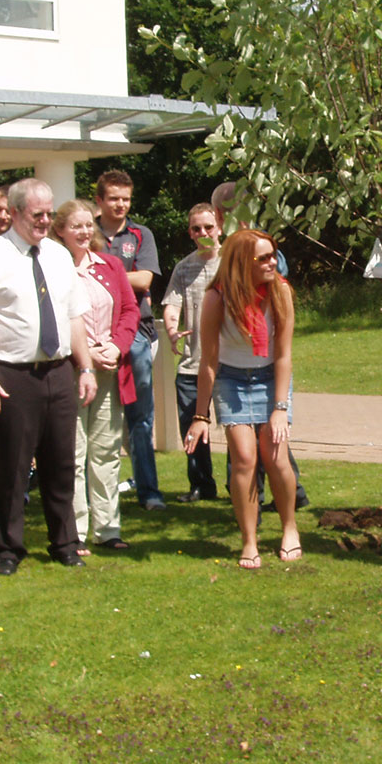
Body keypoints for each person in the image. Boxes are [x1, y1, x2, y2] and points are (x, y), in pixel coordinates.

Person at [0, 177, 98, 575]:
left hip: (57, 372)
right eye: (37, 214)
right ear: (16, 212)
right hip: (12, 374)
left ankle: (65, 542)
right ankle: (8, 548)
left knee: (61, 463)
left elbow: (74, 317)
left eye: (49, 214)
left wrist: (84, 367)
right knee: (14, 466)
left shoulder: (58, 256)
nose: (44, 221)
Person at [183, 230, 301, 568]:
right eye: (262, 258)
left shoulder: (280, 291)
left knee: (276, 455)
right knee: (245, 459)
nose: (272, 263)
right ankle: (249, 541)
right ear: (240, 264)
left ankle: (289, 528)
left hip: (270, 376)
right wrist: (200, 416)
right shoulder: (216, 298)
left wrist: (280, 409)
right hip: (231, 379)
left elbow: (284, 356)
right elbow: (208, 362)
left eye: (272, 255)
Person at [210, 181, 310, 509]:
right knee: (243, 452)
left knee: (272, 447)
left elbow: (273, 288)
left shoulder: (260, 248)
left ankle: (287, 499)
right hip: (232, 366)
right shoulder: (225, 250)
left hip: (264, 365)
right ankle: (253, 510)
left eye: (226, 213)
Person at [52, 199, 140, 552]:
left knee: (105, 451)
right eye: (76, 226)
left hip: (109, 371)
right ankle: (75, 530)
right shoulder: (52, 269)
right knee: (72, 452)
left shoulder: (111, 265)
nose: (85, 232)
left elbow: (130, 311)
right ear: (60, 230)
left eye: (89, 225)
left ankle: (108, 529)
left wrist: (116, 348)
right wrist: (85, 356)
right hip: (70, 372)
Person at [94, 169, 164, 510]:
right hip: (94, 333)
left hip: (137, 331)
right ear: (99, 200)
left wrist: (104, 269)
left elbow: (146, 278)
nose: (120, 205)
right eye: (113, 198)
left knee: (141, 417)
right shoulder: (85, 232)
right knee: (97, 417)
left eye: (125, 199)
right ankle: (96, 496)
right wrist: (125, 273)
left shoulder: (141, 234)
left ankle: (149, 491)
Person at [162, 203, 223, 503]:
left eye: (208, 227)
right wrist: (173, 330)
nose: (203, 233)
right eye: (197, 228)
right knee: (191, 427)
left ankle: (248, 487)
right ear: (190, 233)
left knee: (242, 429)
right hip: (192, 363)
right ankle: (201, 485)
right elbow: (171, 303)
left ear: (219, 228)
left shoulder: (232, 261)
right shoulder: (184, 267)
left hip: (229, 363)